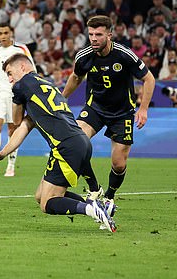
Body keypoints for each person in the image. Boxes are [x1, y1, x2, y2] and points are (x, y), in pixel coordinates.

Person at [0, 54, 116, 232]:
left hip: (65, 146)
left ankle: (91, 210)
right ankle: (97, 205)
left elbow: (16, 120)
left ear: (23, 67)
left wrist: (15, 98)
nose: (9, 79)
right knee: (39, 195)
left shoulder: (21, 86)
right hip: (79, 140)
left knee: (47, 203)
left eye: (10, 73)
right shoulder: (45, 86)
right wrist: (3, 153)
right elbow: (24, 126)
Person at [62, 15, 156, 210]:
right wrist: (62, 99)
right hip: (95, 108)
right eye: (91, 34)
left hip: (122, 113)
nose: (94, 38)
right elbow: (76, 77)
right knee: (76, 142)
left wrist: (143, 108)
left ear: (109, 35)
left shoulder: (124, 55)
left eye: (98, 34)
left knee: (119, 163)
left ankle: (110, 196)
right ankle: (94, 188)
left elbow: (149, 79)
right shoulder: (84, 56)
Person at [0, 22, 35, 177]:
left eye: (5, 33)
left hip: (16, 95)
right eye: (0, 33)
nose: (2, 36)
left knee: (12, 129)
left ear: (11, 33)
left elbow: (32, 70)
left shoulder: (21, 49)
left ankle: (11, 165)